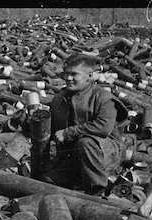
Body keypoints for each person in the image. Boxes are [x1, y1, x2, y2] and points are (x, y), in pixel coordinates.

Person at [45, 54, 128, 195]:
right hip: (72, 154)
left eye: (74, 74)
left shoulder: (103, 98)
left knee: (85, 142)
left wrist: (67, 133)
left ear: (89, 76)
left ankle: (97, 189)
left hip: (104, 151)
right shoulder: (60, 98)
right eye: (66, 73)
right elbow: (51, 126)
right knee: (47, 180)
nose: (68, 78)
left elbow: (103, 128)